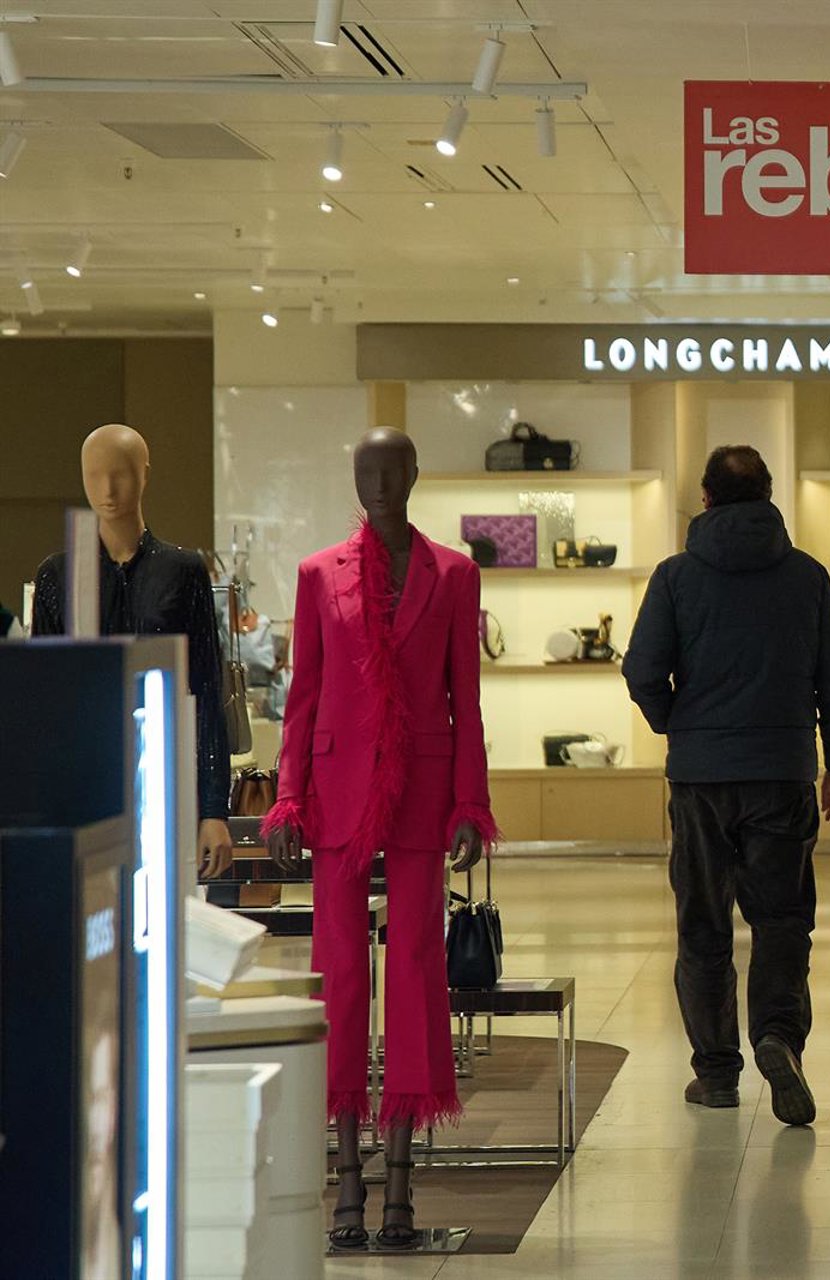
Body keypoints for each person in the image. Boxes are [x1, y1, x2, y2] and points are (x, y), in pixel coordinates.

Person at [263, 427, 495, 1249]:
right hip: (338, 788)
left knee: (417, 969)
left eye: (393, 470)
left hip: (422, 787)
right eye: (367, 470)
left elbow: (465, 697)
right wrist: (288, 796)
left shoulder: (454, 574)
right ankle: (347, 1178)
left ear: (415, 474)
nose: (381, 484)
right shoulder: (317, 574)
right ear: (354, 477)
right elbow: (304, 694)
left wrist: (471, 800)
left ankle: (400, 1177)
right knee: (338, 975)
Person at [624, 446, 830, 1127]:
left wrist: (681, 724)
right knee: (781, 919)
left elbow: (642, 670)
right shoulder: (807, 577)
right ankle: (778, 1038)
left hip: (701, 780)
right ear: (768, 496)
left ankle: (717, 1073)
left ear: (705, 499)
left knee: (703, 923)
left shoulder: (675, 577)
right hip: (782, 772)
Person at [32, 423, 233, 878]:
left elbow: (205, 687)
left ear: (145, 474)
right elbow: (44, 702)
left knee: (161, 903)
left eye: (120, 473)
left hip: (164, 774)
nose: (107, 488)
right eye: (94, 474)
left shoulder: (183, 571)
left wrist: (213, 809)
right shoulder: (58, 577)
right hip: (85, 784)